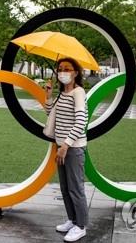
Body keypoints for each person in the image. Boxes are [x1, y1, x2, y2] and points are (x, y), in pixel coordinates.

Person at [44, 57, 89, 242]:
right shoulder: (63, 93)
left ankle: (81, 226)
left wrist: (65, 145)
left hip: (72, 148)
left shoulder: (78, 92)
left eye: (67, 69)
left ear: (76, 73)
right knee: (65, 188)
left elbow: (81, 121)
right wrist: (48, 97)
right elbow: (52, 116)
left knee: (76, 189)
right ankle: (72, 220)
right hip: (61, 146)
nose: (63, 72)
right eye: (60, 68)